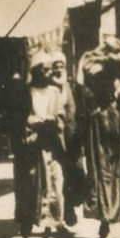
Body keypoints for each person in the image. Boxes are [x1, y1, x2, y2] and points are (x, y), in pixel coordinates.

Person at [76, 37, 120, 238]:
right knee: (115, 168)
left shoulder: (88, 63)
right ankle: (109, 215)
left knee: (99, 169)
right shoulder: (118, 66)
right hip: (114, 117)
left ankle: (104, 216)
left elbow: (79, 84)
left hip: (96, 119)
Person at [9, 52, 66, 238]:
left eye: (49, 69)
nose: (48, 72)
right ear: (35, 71)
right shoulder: (23, 92)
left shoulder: (55, 92)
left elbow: (62, 116)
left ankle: (50, 227)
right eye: (44, 69)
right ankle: (27, 221)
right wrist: (30, 120)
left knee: (54, 184)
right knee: (30, 185)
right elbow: (15, 119)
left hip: (50, 145)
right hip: (30, 147)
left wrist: (54, 121)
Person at [49, 49, 85, 228]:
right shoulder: (49, 86)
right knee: (57, 177)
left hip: (72, 137)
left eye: (61, 66)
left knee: (75, 172)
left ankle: (70, 208)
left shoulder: (70, 86)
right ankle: (58, 216)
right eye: (55, 66)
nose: (58, 70)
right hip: (55, 138)